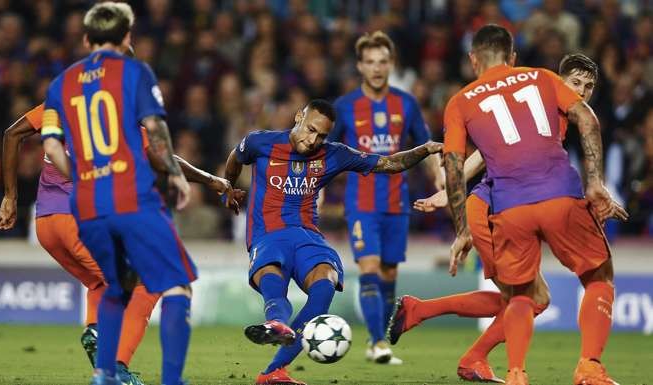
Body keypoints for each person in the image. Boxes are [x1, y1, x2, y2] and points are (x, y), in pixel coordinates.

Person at [389, 53, 602, 383]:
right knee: (532, 298)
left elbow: (490, 154)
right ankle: (467, 350)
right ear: (559, 82)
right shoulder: (545, 109)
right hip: (493, 208)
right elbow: (483, 156)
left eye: (589, 86)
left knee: (523, 298)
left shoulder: (548, 117)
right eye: (575, 84)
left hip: (496, 206)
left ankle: (426, 317)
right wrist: (450, 194)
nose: (583, 92)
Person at [40, 3, 218, 384]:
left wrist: (84, 177)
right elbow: (154, 130)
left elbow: (52, 149)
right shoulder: (134, 72)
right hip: (131, 199)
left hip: (87, 205)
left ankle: (104, 375)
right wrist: (177, 176)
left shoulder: (62, 84)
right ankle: (169, 379)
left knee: (113, 286)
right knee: (175, 285)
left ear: (87, 39)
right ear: (126, 37)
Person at [437, 25, 625, 385]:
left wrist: (461, 229)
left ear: (473, 59)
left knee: (521, 293)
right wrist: (596, 182)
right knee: (599, 276)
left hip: (509, 208)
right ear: (513, 57)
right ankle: (589, 367)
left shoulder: (459, 101)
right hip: (560, 194)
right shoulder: (542, 78)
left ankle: (516, 374)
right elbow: (586, 118)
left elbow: (455, 166)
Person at [223, 99, 442, 385]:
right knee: (273, 281)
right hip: (268, 234)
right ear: (299, 116)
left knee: (325, 284)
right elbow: (234, 159)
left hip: (307, 235)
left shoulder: (334, 155)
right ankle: (276, 322)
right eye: (310, 130)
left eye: (321, 136)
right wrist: (228, 188)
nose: (312, 140)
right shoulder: (259, 142)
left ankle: (273, 372)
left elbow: (389, 164)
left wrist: (424, 150)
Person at [327, 30, 443, 365]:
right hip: (361, 202)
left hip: (396, 201)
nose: (377, 68)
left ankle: (378, 334)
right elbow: (327, 152)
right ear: (360, 66)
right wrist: (317, 188)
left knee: (389, 273)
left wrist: (438, 173)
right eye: (370, 62)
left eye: (382, 61)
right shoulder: (345, 107)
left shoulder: (405, 103)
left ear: (391, 64)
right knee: (370, 266)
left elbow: (426, 144)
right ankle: (378, 343)